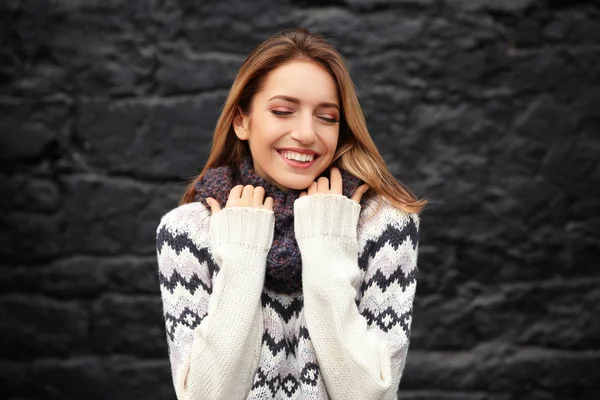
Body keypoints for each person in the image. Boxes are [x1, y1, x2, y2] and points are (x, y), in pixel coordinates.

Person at [155, 27, 427, 400]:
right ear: (242, 121)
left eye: (327, 117)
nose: (306, 133)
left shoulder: (384, 226)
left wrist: (327, 244)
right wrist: (242, 253)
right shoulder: (187, 233)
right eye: (283, 111)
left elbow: (368, 394)